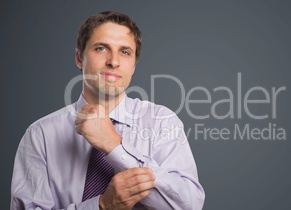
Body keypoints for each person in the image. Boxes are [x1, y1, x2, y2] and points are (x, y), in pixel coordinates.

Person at [10, 11, 205, 210]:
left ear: (134, 66)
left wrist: (114, 146)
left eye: (125, 52)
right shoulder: (40, 134)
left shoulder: (162, 121)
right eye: (101, 48)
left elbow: (188, 206)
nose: (113, 61)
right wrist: (102, 206)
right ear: (79, 58)